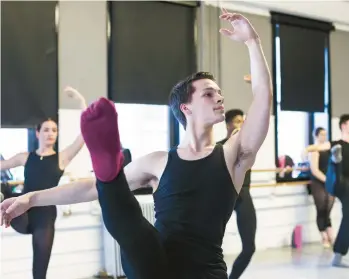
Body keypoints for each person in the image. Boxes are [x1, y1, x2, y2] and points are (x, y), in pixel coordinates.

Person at [1, 10, 272, 279]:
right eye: (209, 93)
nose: (220, 99)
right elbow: (90, 189)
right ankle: (109, 169)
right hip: (154, 262)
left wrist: (252, 42)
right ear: (185, 107)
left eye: (220, 94)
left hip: (205, 272)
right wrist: (31, 198)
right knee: (126, 216)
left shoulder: (233, 154)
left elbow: (262, 96)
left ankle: (110, 171)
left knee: (125, 216)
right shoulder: (159, 161)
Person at [0, 87, 87, 279]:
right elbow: (2, 165)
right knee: (6, 193)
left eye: (54, 130)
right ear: (37, 133)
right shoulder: (25, 157)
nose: (50, 134)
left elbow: (84, 134)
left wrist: (80, 100)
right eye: (46, 130)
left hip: (45, 217)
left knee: (39, 271)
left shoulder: (61, 158)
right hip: (22, 213)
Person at [217, 75, 256, 279]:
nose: (241, 124)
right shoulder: (219, 147)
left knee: (249, 247)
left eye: (243, 121)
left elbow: (259, 112)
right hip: (223, 198)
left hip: (243, 196)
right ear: (228, 125)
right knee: (209, 245)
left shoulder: (247, 145)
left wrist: (254, 85)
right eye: (237, 121)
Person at [305, 114, 349, 267]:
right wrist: (308, 149)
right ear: (344, 125)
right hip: (339, 183)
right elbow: (317, 147)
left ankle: (338, 255)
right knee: (336, 167)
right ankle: (336, 160)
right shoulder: (335, 142)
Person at [308, 127, 334, 248]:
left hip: (328, 181)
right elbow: (315, 170)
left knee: (328, 207)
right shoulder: (314, 150)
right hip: (318, 182)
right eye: (322, 134)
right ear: (316, 135)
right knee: (321, 207)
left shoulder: (328, 149)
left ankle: (330, 232)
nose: (324, 137)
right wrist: (326, 180)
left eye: (325, 134)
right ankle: (324, 235)